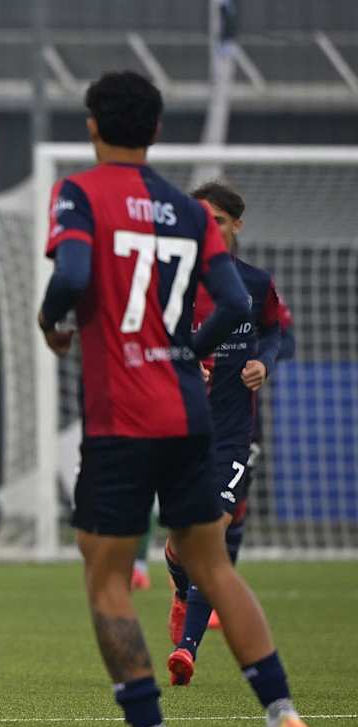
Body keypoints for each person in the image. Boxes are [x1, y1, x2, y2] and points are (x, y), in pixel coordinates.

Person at [36, 71, 310, 727]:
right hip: (189, 412)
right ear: (157, 131)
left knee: (105, 576)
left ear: (93, 126)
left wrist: (53, 324)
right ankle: (283, 713)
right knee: (213, 567)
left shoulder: (78, 193)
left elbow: (71, 275)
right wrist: (188, 348)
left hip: (120, 419)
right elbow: (239, 303)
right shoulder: (189, 212)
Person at [163, 181, 283, 687]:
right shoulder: (173, 282)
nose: (206, 228)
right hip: (179, 428)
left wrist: (262, 361)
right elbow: (150, 343)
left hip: (232, 434)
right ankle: (177, 578)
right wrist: (183, 368)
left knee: (209, 535)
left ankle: (186, 652)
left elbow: (277, 331)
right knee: (182, 544)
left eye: (215, 220)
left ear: (236, 224)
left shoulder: (255, 284)